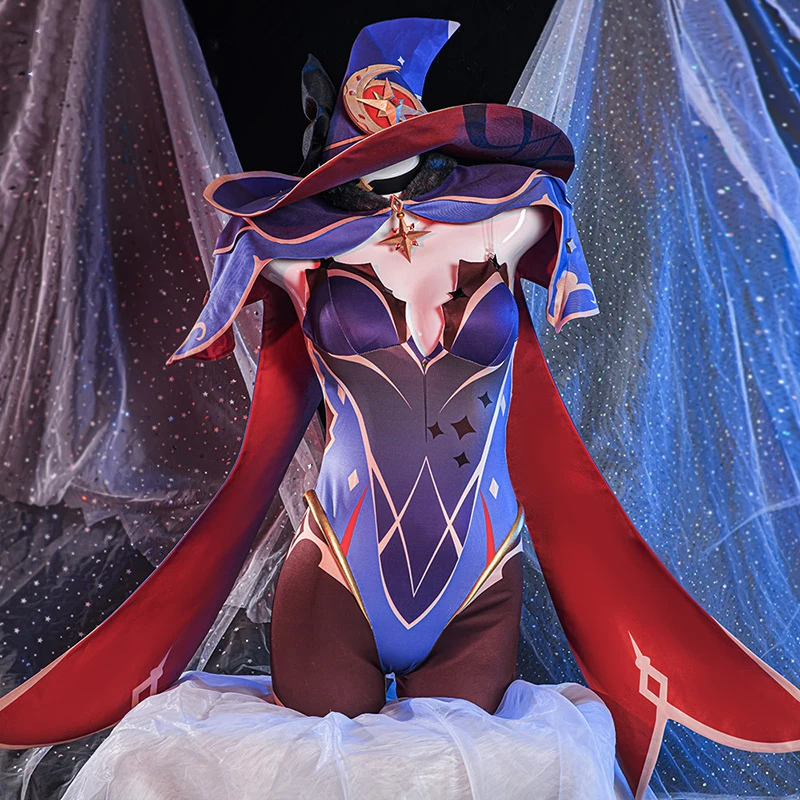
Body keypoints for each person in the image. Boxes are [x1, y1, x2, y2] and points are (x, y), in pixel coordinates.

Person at [2, 18, 799, 800]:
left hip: (479, 577)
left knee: (453, 780)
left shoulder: (512, 219)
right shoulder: (292, 251)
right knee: (316, 782)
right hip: (338, 572)